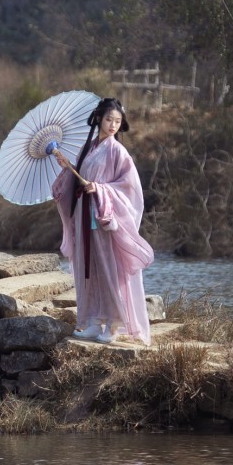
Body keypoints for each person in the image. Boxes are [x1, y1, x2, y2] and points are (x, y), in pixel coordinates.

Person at [52, 97, 154, 345]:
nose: (113, 125)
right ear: (98, 118)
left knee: (108, 269)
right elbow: (79, 179)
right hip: (83, 216)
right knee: (87, 268)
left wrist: (98, 188)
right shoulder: (88, 147)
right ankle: (93, 320)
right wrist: (68, 167)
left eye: (118, 121)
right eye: (109, 119)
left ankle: (113, 324)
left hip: (102, 217)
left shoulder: (118, 151)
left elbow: (129, 188)